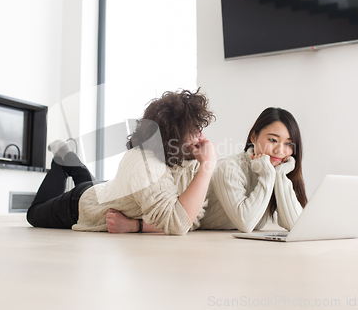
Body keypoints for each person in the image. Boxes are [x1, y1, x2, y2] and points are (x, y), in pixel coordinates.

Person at [26, 89, 217, 236]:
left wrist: (137, 226)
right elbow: (178, 222)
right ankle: (62, 158)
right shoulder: (143, 164)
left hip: (110, 192)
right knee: (34, 214)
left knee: (92, 184)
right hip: (81, 204)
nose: (201, 136)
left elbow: (194, 216)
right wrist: (207, 166)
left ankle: (68, 157)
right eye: (194, 130)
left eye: (199, 128)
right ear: (173, 135)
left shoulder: (187, 160)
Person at [105, 107, 307, 233]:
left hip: (174, 222)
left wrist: (280, 175)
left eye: (289, 144)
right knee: (89, 187)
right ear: (253, 137)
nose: (281, 150)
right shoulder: (230, 168)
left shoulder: (273, 171)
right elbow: (246, 224)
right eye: (273, 140)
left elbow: (296, 226)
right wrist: (269, 174)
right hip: (132, 205)